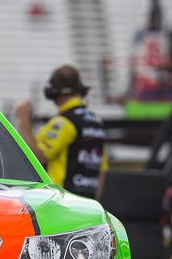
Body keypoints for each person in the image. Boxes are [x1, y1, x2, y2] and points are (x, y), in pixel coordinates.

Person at [12, 65, 108, 199]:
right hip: (87, 204)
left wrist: (23, 120)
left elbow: (37, 158)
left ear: (53, 91)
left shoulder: (63, 123)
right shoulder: (97, 122)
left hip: (62, 202)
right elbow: (101, 171)